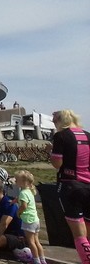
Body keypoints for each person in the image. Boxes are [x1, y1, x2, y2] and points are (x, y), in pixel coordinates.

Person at [50, 109, 90, 264]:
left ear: (61, 120)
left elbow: (57, 163)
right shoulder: (87, 135)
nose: (54, 124)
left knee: (79, 234)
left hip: (70, 186)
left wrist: (51, 153)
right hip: (88, 185)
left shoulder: (61, 136)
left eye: (54, 121)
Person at [14, 170, 46, 264]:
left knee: (31, 242)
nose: (15, 181)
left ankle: (36, 260)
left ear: (23, 182)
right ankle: (43, 259)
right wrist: (16, 200)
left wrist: (18, 212)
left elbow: (24, 206)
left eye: (17, 180)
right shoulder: (29, 191)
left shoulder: (23, 193)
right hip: (35, 220)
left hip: (28, 220)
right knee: (37, 241)